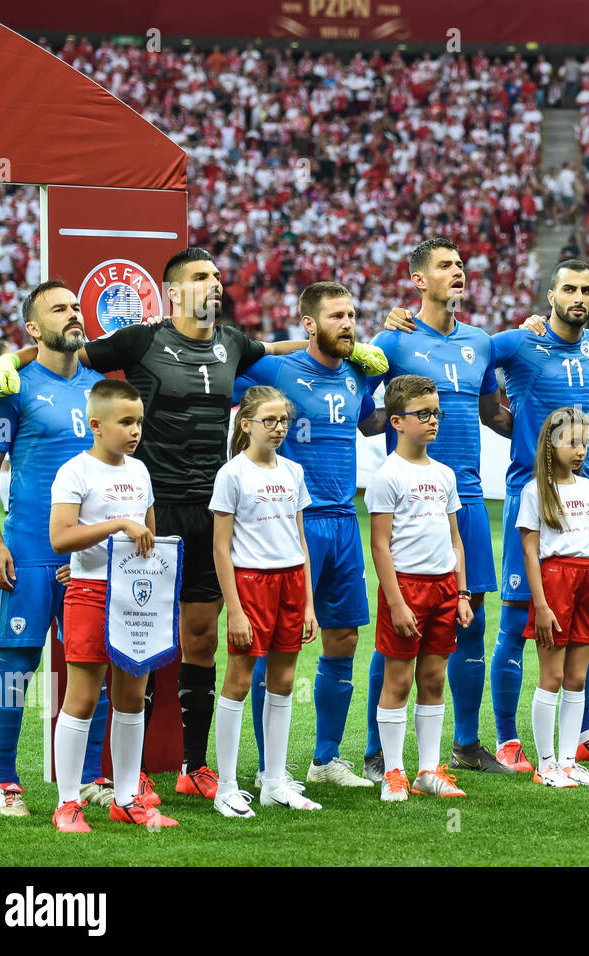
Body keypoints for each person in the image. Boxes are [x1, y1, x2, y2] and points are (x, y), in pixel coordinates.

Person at [0, 247, 386, 801]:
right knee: (125, 643)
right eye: (201, 277)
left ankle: (194, 768)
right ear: (173, 292)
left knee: (198, 640)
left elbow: (283, 353)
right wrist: (11, 356)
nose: (214, 283)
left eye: (217, 276)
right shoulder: (137, 342)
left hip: (209, 508)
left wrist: (353, 349)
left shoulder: (234, 344)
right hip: (144, 515)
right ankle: (94, 777)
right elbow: (64, 352)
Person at [365, 239, 514, 777]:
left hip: (467, 499)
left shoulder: (481, 342)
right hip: (409, 503)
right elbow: (367, 419)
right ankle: (378, 751)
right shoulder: (393, 340)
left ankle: (467, 745)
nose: (459, 272)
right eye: (446, 266)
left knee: (468, 622)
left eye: (460, 264)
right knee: (399, 627)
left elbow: (494, 414)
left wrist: (546, 443)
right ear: (418, 281)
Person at [488, 259, 589, 771]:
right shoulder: (519, 343)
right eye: (569, 288)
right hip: (530, 493)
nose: (579, 296)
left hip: (583, 495)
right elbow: (469, 355)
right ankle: (508, 739)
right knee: (516, 619)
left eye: (587, 289)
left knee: (580, 625)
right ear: (550, 294)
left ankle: (581, 736)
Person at [235, 282, 384, 790]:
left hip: (344, 521)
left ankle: (325, 759)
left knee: (343, 637)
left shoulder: (358, 375)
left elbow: (369, 424)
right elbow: (226, 363)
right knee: (277, 646)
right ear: (309, 323)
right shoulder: (277, 370)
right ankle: (265, 766)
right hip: (288, 523)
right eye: (336, 315)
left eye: (351, 314)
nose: (347, 323)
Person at [0, 281, 112, 816]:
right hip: (30, 548)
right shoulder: (13, 387)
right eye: (59, 309)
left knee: (91, 665)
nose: (73, 314)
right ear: (33, 329)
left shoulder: (101, 387)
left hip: (87, 552)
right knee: (16, 668)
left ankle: (91, 777)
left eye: (76, 306)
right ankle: (5, 783)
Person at [47, 379, 177, 831]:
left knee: (132, 699)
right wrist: (119, 522)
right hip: (89, 593)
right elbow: (60, 537)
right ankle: (67, 803)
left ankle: (126, 798)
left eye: (138, 421)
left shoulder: (140, 471)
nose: (135, 430)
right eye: (125, 422)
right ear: (95, 425)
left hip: (134, 596)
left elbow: (150, 539)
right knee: (80, 699)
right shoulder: (75, 472)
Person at [209, 386, 321, 817]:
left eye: (283, 421)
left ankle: (275, 782)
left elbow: (300, 540)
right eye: (269, 421)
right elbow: (221, 548)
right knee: (238, 682)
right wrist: (234, 609)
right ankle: (227, 787)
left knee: (285, 682)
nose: (278, 429)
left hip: (292, 583)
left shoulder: (293, 471)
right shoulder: (232, 474)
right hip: (250, 584)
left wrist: (308, 603)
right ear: (247, 424)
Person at [367, 375, 471, 801]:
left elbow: (455, 539)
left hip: (445, 588)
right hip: (406, 589)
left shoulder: (445, 474)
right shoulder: (387, 476)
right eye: (422, 414)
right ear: (396, 421)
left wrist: (462, 593)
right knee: (398, 682)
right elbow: (379, 545)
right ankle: (394, 771)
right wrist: (396, 602)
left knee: (433, 677)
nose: (432, 421)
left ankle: (429, 770)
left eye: (435, 413)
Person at [519, 407, 589, 787]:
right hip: (556, 580)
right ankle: (545, 765)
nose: (581, 450)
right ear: (550, 444)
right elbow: (530, 550)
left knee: (577, 677)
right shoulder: (534, 490)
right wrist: (541, 605)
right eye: (573, 442)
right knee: (552, 676)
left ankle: (570, 762)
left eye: (585, 442)